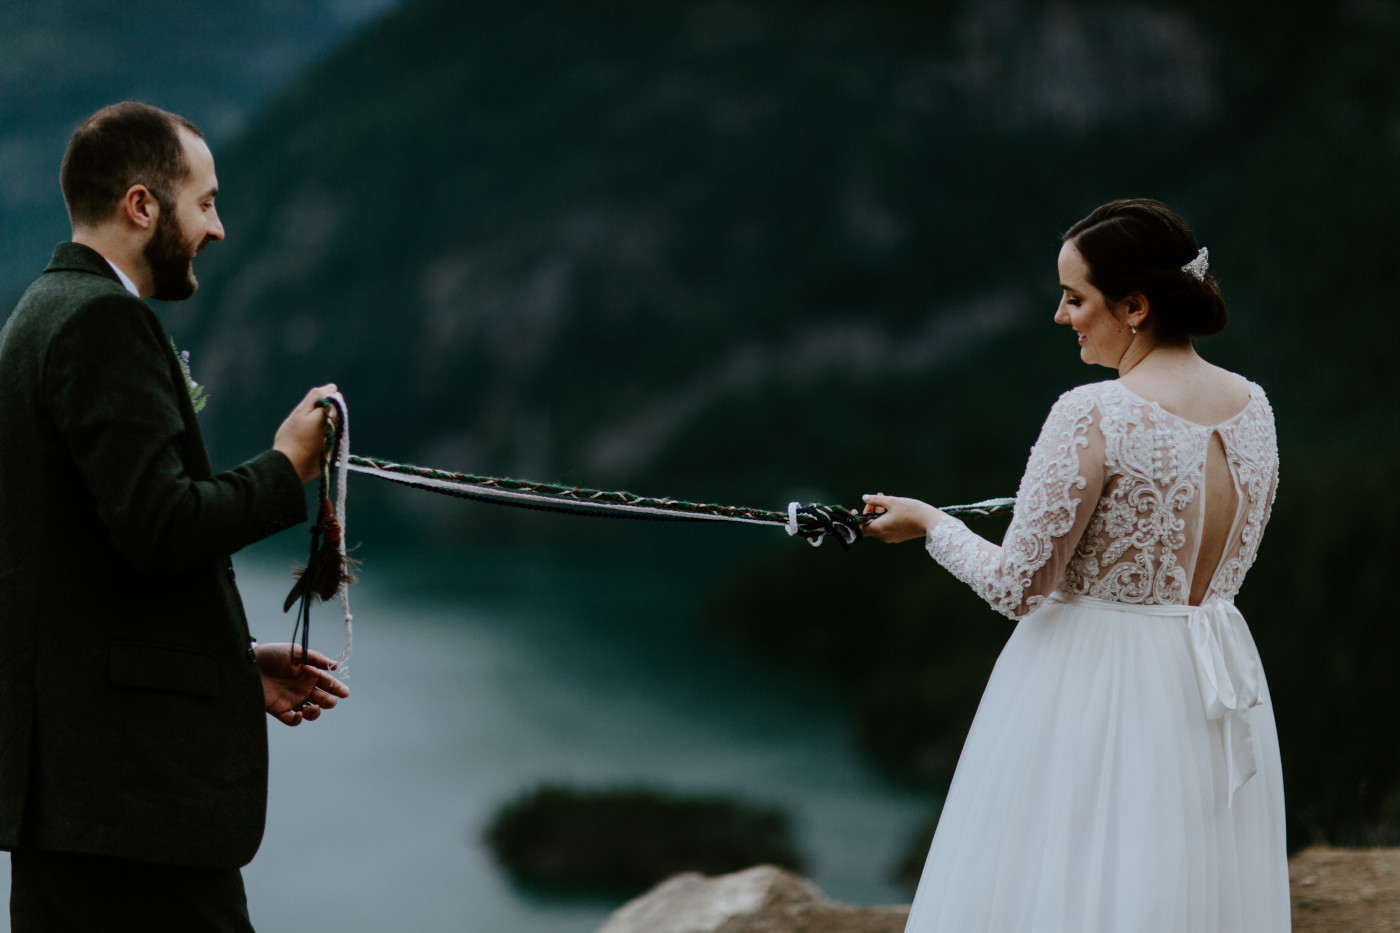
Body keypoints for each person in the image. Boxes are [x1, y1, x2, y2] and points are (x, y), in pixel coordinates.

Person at [862, 198, 1288, 932]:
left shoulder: (1095, 412)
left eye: (1074, 297)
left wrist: (931, 523)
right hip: (1212, 684)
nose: (1062, 315)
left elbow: (1017, 587)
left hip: (1097, 684)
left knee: (1063, 890)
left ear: (1134, 305)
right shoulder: (1253, 407)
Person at [0, 102, 351, 931]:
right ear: (141, 206)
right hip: (130, 803)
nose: (218, 228)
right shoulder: (103, 322)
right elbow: (160, 526)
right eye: (205, 202)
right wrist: (287, 467)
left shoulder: (37, 315)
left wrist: (231, 666)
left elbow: (92, 560)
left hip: (69, 796)